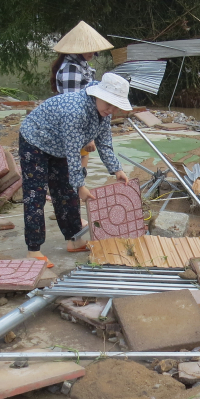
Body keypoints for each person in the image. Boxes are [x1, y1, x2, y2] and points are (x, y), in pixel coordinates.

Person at [18, 72, 132, 267]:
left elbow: (104, 143)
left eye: (115, 106)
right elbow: (73, 153)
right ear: (99, 95)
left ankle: (74, 239)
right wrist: (81, 186)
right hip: (35, 140)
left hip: (57, 144)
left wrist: (116, 170)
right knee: (35, 194)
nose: (111, 109)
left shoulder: (103, 112)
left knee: (65, 192)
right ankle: (33, 250)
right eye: (108, 104)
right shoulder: (75, 111)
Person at [49, 21, 114, 171]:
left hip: (82, 124)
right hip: (71, 125)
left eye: (93, 49)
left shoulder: (82, 66)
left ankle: (77, 191)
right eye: (87, 49)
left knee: (81, 163)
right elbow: (71, 106)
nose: (91, 53)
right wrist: (88, 137)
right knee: (72, 165)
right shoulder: (70, 70)